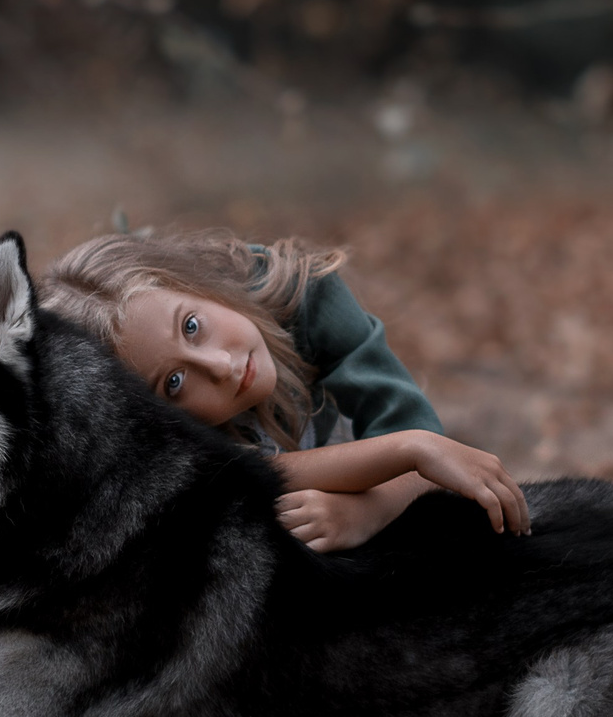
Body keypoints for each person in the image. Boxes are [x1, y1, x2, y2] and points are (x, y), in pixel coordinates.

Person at [39, 228, 529, 552]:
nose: (222, 366)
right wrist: (408, 452)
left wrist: (366, 510)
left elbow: (429, 452)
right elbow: (236, 476)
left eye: (192, 325)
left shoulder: (310, 301)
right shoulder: (159, 444)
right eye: (174, 383)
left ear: (197, 285)